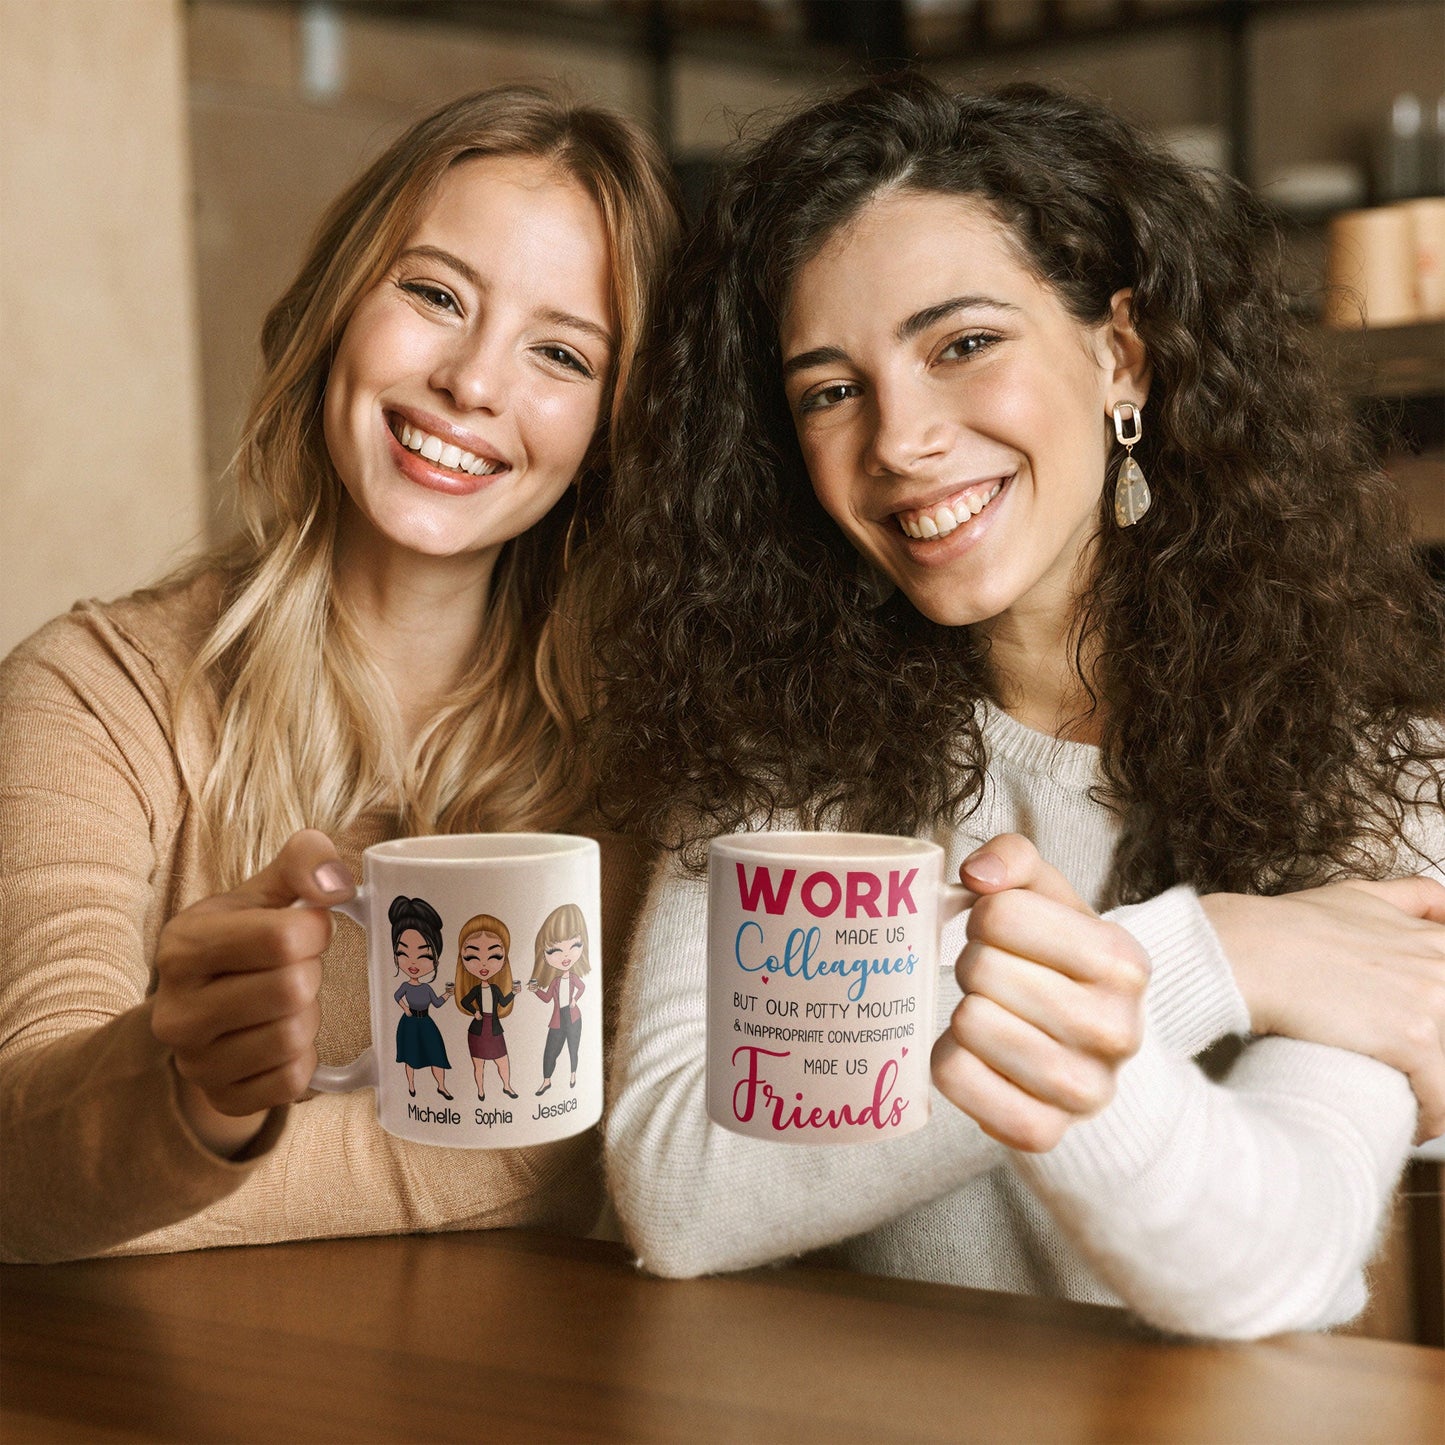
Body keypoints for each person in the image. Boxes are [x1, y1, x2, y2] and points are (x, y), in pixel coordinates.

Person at [593, 75, 1445, 1339]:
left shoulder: (1375, 763)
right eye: (829, 389)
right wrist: (1210, 955)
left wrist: (1102, 978)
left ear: (1119, 355)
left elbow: (1269, 1258)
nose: (899, 438)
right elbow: (677, 1188)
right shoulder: (780, 751)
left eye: (961, 344)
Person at [0, 85, 679, 1263]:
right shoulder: (92, 693)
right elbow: (22, 1161)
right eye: (433, 294)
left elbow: (592, 1133)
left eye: (561, 353)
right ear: (335, 310)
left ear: (611, 430)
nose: (473, 381)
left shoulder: (646, 750)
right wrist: (194, 1094)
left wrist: (164, 1177)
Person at [390, 895, 455, 1100]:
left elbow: (436, 1003)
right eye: (404, 953)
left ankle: (441, 1086)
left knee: (437, 1054)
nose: (413, 962)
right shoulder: (405, 985)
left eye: (424, 956)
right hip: (409, 1023)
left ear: (435, 960)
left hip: (426, 1022)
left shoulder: (426, 988)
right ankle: (410, 1085)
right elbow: (396, 996)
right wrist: (405, 1008)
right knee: (411, 1056)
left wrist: (448, 994)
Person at [455, 912, 519, 1102]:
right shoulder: (475, 989)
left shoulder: (496, 989)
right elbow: (464, 1001)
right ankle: (480, 1090)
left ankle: (507, 1086)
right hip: (477, 1030)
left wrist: (514, 992)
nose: (483, 964)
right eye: (472, 957)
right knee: (479, 1065)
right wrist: (475, 1012)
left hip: (494, 1029)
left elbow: (504, 1002)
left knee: (503, 1061)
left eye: (494, 956)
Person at [526, 903, 590, 1095]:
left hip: (573, 1016)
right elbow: (546, 999)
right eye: (554, 951)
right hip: (558, 1019)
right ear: (544, 954)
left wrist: (575, 1000)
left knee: (573, 1047)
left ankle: (573, 1074)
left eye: (574, 946)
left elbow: (583, 987)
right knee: (550, 1051)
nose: (565, 955)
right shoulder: (554, 982)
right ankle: (546, 1081)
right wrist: (535, 990)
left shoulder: (574, 978)